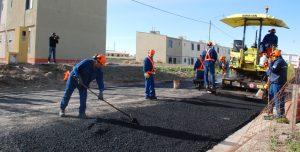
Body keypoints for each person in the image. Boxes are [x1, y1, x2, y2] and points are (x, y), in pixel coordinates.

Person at [59, 54, 106, 118]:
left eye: (102, 65)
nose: (101, 66)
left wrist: (101, 92)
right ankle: (62, 109)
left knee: (83, 97)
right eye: (100, 64)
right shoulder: (87, 62)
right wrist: (79, 77)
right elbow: (75, 68)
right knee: (67, 94)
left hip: (84, 83)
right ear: (96, 61)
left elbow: (100, 81)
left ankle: (82, 113)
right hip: (73, 79)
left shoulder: (99, 71)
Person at [268, 50, 287, 118]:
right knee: (271, 98)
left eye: (273, 56)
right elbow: (269, 72)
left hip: (277, 83)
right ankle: (271, 113)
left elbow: (273, 70)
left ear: (277, 56)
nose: (272, 57)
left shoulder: (279, 62)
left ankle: (280, 115)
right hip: (274, 83)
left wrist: (270, 63)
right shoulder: (279, 62)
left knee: (278, 99)